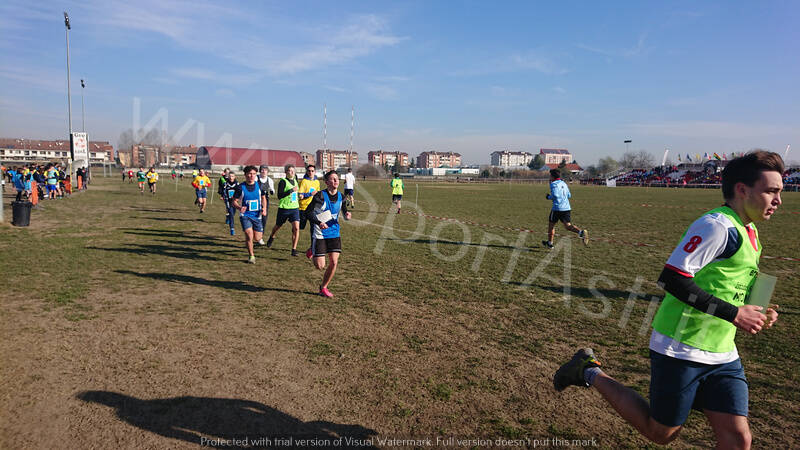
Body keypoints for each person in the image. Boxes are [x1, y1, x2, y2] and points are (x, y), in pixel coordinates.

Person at [553, 150, 784, 448]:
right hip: (682, 347)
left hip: (723, 352)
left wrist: (758, 308)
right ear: (742, 189)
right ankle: (588, 370)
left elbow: (728, 283)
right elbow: (672, 278)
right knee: (661, 433)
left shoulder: (749, 231)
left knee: (739, 438)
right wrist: (735, 314)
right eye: (771, 191)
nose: (778, 199)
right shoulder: (716, 226)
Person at [305, 170, 351, 297]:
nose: (336, 181)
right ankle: (313, 250)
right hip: (320, 233)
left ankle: (323, 287)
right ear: (326, 182)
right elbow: (308, 213)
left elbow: (344, 211)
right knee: (320, 266)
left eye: (337, 178)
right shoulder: (320, 196)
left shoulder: (341, 196)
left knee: (334, 262)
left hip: (334, 232)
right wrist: (319, 222)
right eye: (332, 179)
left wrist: (347, 215)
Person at [541, 168, 588, 249]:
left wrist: (549, 197)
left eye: (550, 175)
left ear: (552, 176)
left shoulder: (554, 184)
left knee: (551, 226)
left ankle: (550, 243)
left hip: (557, 208)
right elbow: (569, 195)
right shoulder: (564, 183)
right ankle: (581, 232)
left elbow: (555, 195)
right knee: (568, 226)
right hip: (566, 207)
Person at [232, 166, 267, 264]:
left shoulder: (259, 185)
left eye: (254, 174)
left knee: (258, 238)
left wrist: (264, 208)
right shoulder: (240, 187)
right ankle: (251, 256)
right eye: (250, 174)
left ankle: (251, 244)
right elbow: (234, 202)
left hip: (257, 215)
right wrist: (239, 208)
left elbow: (263, 198)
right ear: (245, 175)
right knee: (249, 235)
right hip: (245, 215)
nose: (251, 176)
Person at [266, 164, 301, 256]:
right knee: (278, 226)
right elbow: (279, 196)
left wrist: (298, 195)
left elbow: (296, 192)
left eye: (293, 170)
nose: (292, 172)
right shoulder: (283, 182)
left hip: (295, 208)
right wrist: (291, 191)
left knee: (296, 228)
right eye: (290, 170)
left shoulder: (296, 179)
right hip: (284, 209)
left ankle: (294, 249)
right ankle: (272, 236)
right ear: (286, 172)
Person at [298, 165, 321, 257]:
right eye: (309, 171)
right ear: (307, 172)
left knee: (313, 229)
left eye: (312, 171)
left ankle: (312, 248)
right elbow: (300, 195)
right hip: (303, 208)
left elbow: (318, 194)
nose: (311, 172)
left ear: (315, 172)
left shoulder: (317, 182)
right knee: (301, 227)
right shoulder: (304, 181)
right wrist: (309, 194)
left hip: (313, 209)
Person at [257, 165, 275, 244]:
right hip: (256, 200)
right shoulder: (256, 178)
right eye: (262, 170)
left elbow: (272, 190)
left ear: (268, 171)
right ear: (260, 171)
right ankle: (254, 234)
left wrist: (271, 191)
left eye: (265, 170)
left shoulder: (269, 180)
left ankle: (260, 237)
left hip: (265, 201)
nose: (264, 171)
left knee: (264, 219)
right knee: (256, 218)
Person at [219, 171, 239, 235]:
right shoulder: (226, 184)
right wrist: (222, 196)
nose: (231, 177)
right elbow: (222, 190)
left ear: (234, 177)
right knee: (231, 214)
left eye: (232, 176)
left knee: (233, 214)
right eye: (230, 176)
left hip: (235, 201)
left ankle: (228, 218)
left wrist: (238, 197)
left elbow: (240, 191)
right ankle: (232, 228)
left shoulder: (237, 184)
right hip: (228, 200)